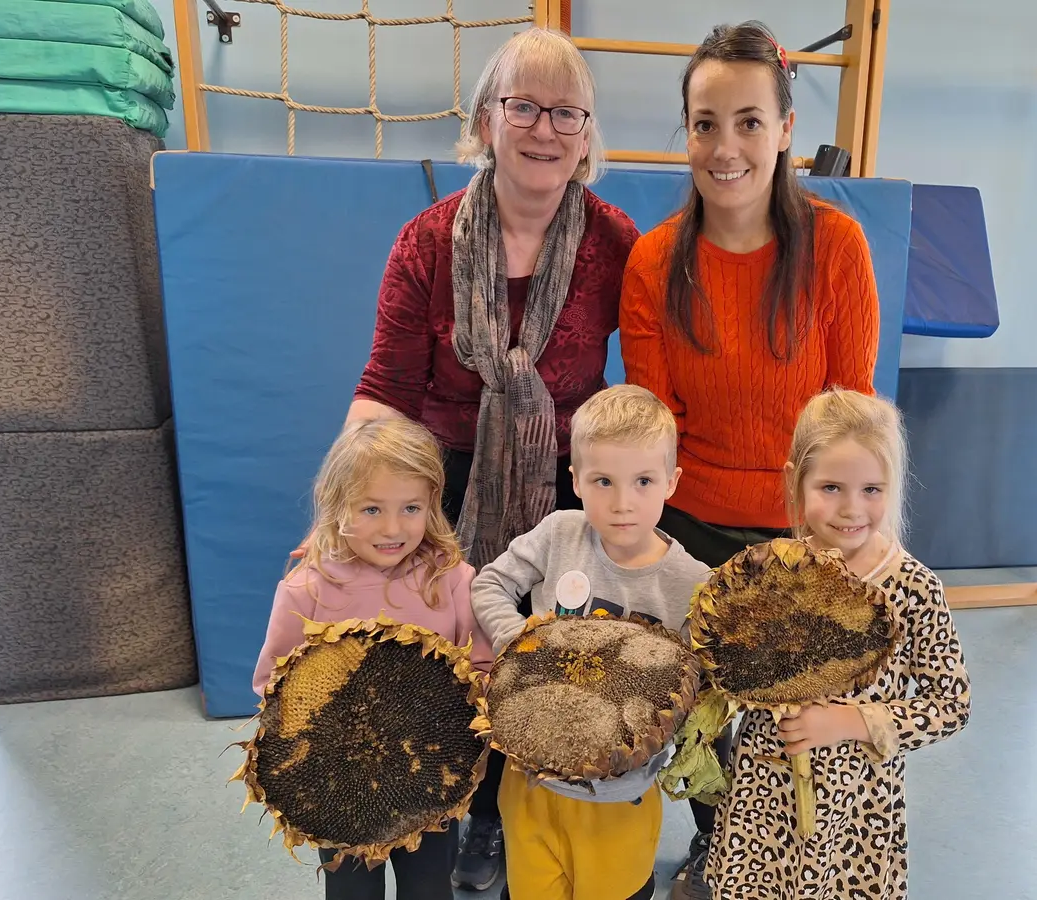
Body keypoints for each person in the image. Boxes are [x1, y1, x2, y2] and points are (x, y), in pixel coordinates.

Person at [338, 27, 641, 888]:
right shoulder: (427, 242)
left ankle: (517, 816)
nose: (544, 129)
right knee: (455, 657)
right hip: (443, 486)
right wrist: (350, 506)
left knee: (541, 656)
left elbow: (646, 383)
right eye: (524, 107)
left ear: (586, 137)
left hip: (563, 485)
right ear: (485, 118)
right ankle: (466, 815)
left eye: (567, 113)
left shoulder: (615, 242)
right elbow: (385, 389)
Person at [616, 21, 882, 896]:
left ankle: (782, 853)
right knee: (700, 719)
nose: (724, 147)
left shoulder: (837, 249)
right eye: (704, 123)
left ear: (785, 128)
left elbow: (849, 419)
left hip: (799, 536)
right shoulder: (654, 264)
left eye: (747, 122)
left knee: (792, 727)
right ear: (686, 130)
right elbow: (654, 433)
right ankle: (715, 841)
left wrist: (839, 547)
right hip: (691, 530)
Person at [706, 387, 971, 899]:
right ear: (795, 481)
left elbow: (951, 705)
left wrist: (849, 721)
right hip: (766, 792)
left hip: (857, 808)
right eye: (831, 487)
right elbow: (736, 669)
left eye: (872, 489)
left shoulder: (914, 588)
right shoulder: (770, 572)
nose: (852, 508)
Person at [470, 384, 712, 900]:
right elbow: (490, 583)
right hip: (529, 779)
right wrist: (516, 640)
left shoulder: (692, 582)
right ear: (576, 480)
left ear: (672, 483)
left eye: (643, 481)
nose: (622, 503)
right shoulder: (560, 533)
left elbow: (704, 684)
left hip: (619, 797)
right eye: (603, 480)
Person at [251, 417, 495, 900]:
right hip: (336, 784)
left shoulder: (452, 579)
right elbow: (273, 687)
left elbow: (482, 671)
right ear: (336, 506)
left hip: (432, 778)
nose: (391, 527)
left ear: (432, 505)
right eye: (370, 509)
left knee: (428, 887)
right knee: (350, 892)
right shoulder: (308, 589)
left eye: (410, 508)